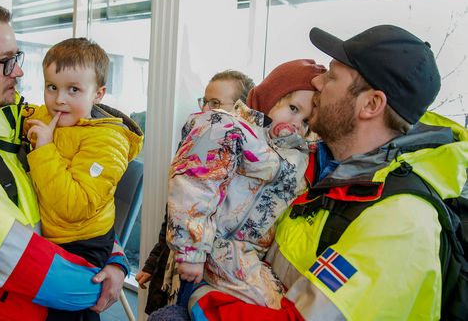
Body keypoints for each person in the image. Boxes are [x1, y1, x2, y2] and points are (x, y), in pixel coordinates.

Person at [186, 25, 467, 320]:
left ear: (371, 104)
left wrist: (202, 300)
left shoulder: (400, 221)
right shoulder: (338, 179)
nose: (317, 81)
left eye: (332, 75)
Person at [0, 0, 127, 321]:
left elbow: (83, 200)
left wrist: (114, 257)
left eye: (16, 57)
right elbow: (56, 282)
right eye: (4, 61)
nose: (18, 71)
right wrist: (105, 279)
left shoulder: (18, 121)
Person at [164, 59, 325, 311]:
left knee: (278, 306)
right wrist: (191, 250)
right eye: (293, 108)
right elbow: (194, 183)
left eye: (306, 121)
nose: (296, 123)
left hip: (247, 255)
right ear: (271, 97)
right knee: (265, 307)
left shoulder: (298, 155)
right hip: (210, 247)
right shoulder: (226, 127)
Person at [24, 37, 144, 321]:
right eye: (51, 87)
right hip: (52, 235)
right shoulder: (49, 114)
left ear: (98, 94)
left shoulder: (107, 141)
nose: (58, 99)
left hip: (81, 243)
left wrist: (44, 150)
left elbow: (74, 206)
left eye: (73, 89)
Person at [136, 69, 255, 315]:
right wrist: (153, 263)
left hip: (213, 274)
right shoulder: (198, 146)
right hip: (179, 266)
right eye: (205, 102)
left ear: (242, 109)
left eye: (216, 104)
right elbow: (173, 217)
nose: (206, 111)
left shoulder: (246, 168)